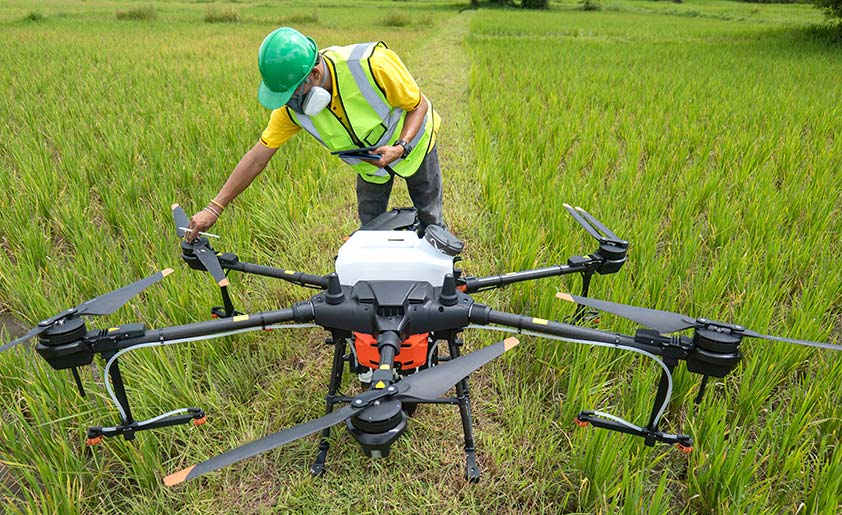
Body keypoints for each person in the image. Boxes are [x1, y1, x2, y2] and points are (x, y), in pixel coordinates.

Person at [186, 27, 443, 243]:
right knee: (369, 233)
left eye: (293, 94)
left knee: (430, 219)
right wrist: (214, 207)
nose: (290, 104)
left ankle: (443, 279)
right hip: (370, 167)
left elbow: (417, 105)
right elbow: (258, 157)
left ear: (315, 74)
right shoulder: (292, 111)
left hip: (414, 146)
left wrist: (401, 147)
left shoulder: (370, 64)